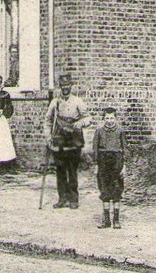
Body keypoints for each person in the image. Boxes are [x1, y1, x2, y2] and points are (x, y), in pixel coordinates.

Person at [44, 75, 93, 208]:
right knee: (60, 169)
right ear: (60, 87)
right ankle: (62, 198)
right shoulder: (55, 102)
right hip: (59, 139)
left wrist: (80, 123)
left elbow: (88, 118)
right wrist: (48, 136)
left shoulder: (78, 101)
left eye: (67, 86)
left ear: (71, 86)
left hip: (73, 139)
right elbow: (48, 120)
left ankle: (73, 199)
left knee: (72, 169)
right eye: (63, 86)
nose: (65, 88)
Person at [94, 105, 126, 228]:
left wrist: (124, 166)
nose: (109, 120)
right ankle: (106, 220)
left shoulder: (120, 131)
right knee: (105, 189)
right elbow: (95, 149)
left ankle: (116, 220)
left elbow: (124, 149)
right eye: (107, 118)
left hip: (117, 161)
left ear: (115, 119)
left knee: (117, 189)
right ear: (104, 119)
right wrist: (96, 165)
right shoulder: (99, 131)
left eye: (112, 118)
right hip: (103, 161)